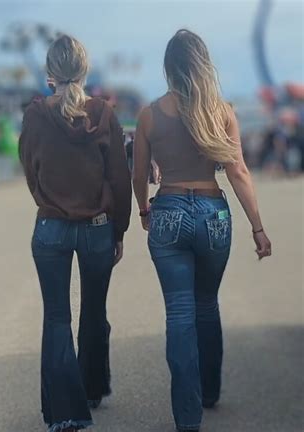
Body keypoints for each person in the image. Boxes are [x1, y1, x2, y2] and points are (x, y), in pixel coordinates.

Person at [132, 29, 272, 432]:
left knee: (179, 313)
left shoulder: (149, 114)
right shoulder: (222, 112)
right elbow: (238, 171)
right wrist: (257, 228)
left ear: (168, 67)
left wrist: (144, 209)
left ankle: (187, 417)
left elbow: (139, 174)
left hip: (169, 210)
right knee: (207, 305)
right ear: (202, 63)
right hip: (215, 213)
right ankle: (210, 390)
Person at [19, 35, 131, 432]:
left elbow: (29, 169)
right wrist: (119, 229)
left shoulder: (35, 116)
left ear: (50, 74)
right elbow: (119, 177)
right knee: (94, 310)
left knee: (56, 318)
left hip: (51, 227)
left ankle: (64, 413)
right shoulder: (103, 113)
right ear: (85, 70)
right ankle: (93, 388)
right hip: (98, 228)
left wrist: (49, 201)